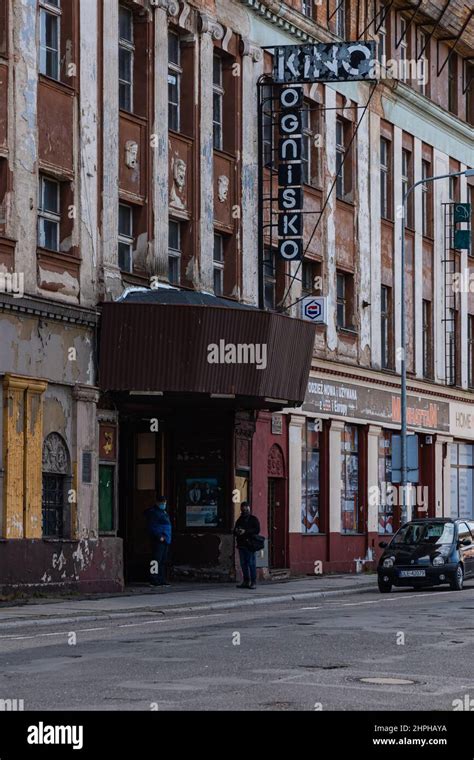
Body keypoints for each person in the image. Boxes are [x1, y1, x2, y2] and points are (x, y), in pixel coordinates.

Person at [144, 495, 172, 587]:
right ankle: (154, 579)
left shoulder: (163, 512)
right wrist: (159, 536)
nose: (163, 504)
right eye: (162, 503)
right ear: (157, 503)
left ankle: (161, 579)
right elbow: (152, 526)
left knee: (162, 560)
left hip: (165, 539)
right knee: (156, 560)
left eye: (164, 503)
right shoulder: (154, 513)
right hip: (159, 539)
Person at [233, 501, 260, 590]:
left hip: (250, 545)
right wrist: (237, 531)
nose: (244, 510)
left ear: (248, 508)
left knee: (251, 563)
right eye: (242, 508)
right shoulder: (239, 519)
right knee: (243, 564)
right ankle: (245, 580)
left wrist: (246, 531)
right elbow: (234, 531)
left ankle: (253, 581)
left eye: (245, 508)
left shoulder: (253, 519)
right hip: (241, 544)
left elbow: (257, 530)